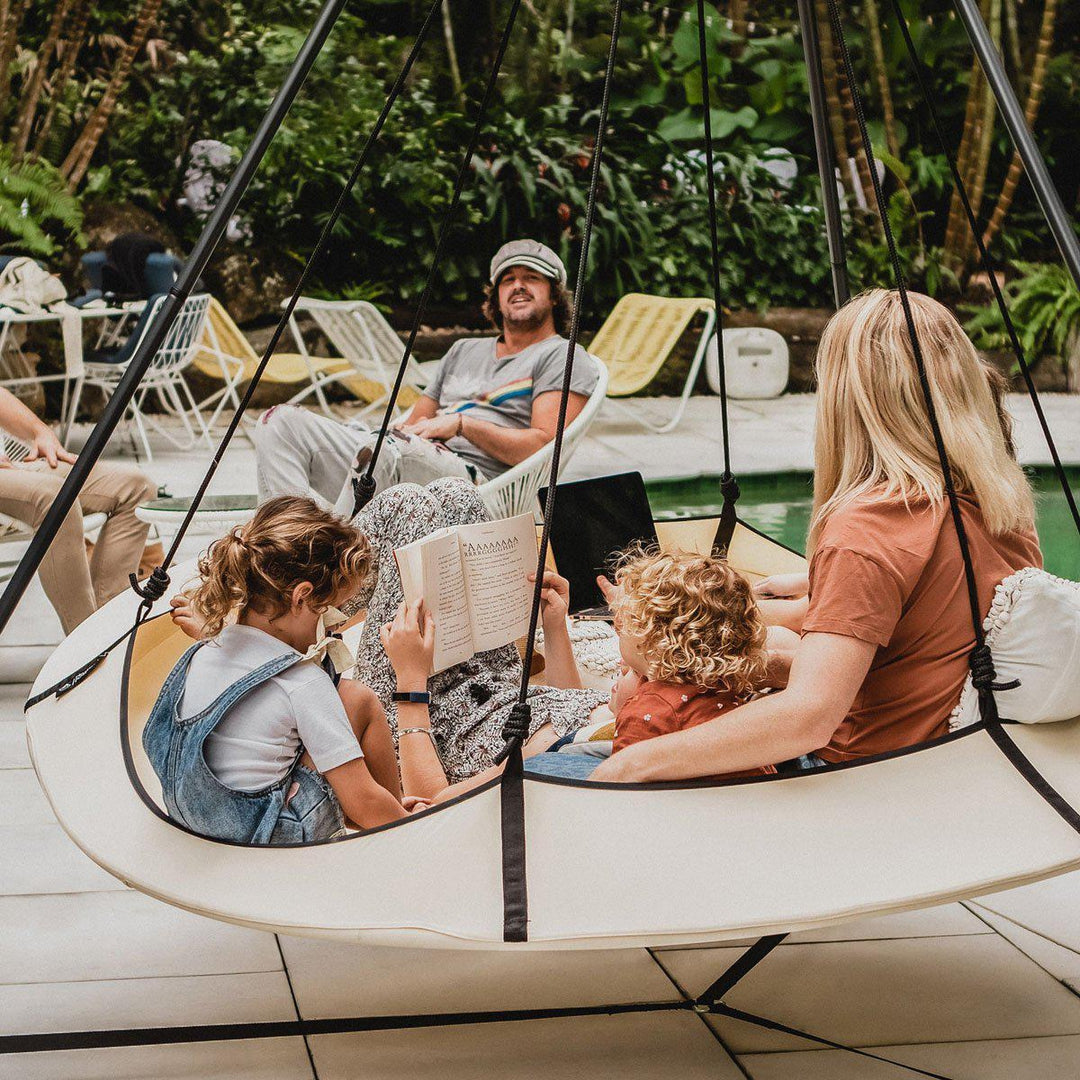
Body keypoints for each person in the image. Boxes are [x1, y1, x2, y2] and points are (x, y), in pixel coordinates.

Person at [588, 288, 1042, 783]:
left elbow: (808, 719)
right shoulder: (1001, 505)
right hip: (945, 753)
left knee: (557, 760)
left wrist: (629, 765)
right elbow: (909, 648)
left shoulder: (867, 527)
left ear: (846, 398)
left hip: (855, 772)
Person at [254, 239, 599, 512]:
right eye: (508, 280)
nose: (518, 285)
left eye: (532, 277)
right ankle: (286, 544)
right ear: (496, 297)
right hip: (409, 456)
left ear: (555, 295)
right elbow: (413, 422)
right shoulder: (464, 350)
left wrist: (462, 425)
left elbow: (542, 447)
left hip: (475, 483)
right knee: (279, 424)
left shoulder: (562, 355)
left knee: (378, 452)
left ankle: (330, 555)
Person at [143, 496, 408, 844]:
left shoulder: (204, 651)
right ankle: (399, 830)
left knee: (348, 699)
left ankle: (393, 811)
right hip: (267, 837)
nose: (332, 628)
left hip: (194, 817)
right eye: (330, 611)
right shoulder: (303, 683)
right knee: (359, 706)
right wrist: (410, 823)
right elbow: (363, 803)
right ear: (301, 598)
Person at [0, 387, 157, 634]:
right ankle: (87, 641)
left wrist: (40, 432)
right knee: (56, 499)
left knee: (136, 487)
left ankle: (112, 627)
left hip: (10, 467)